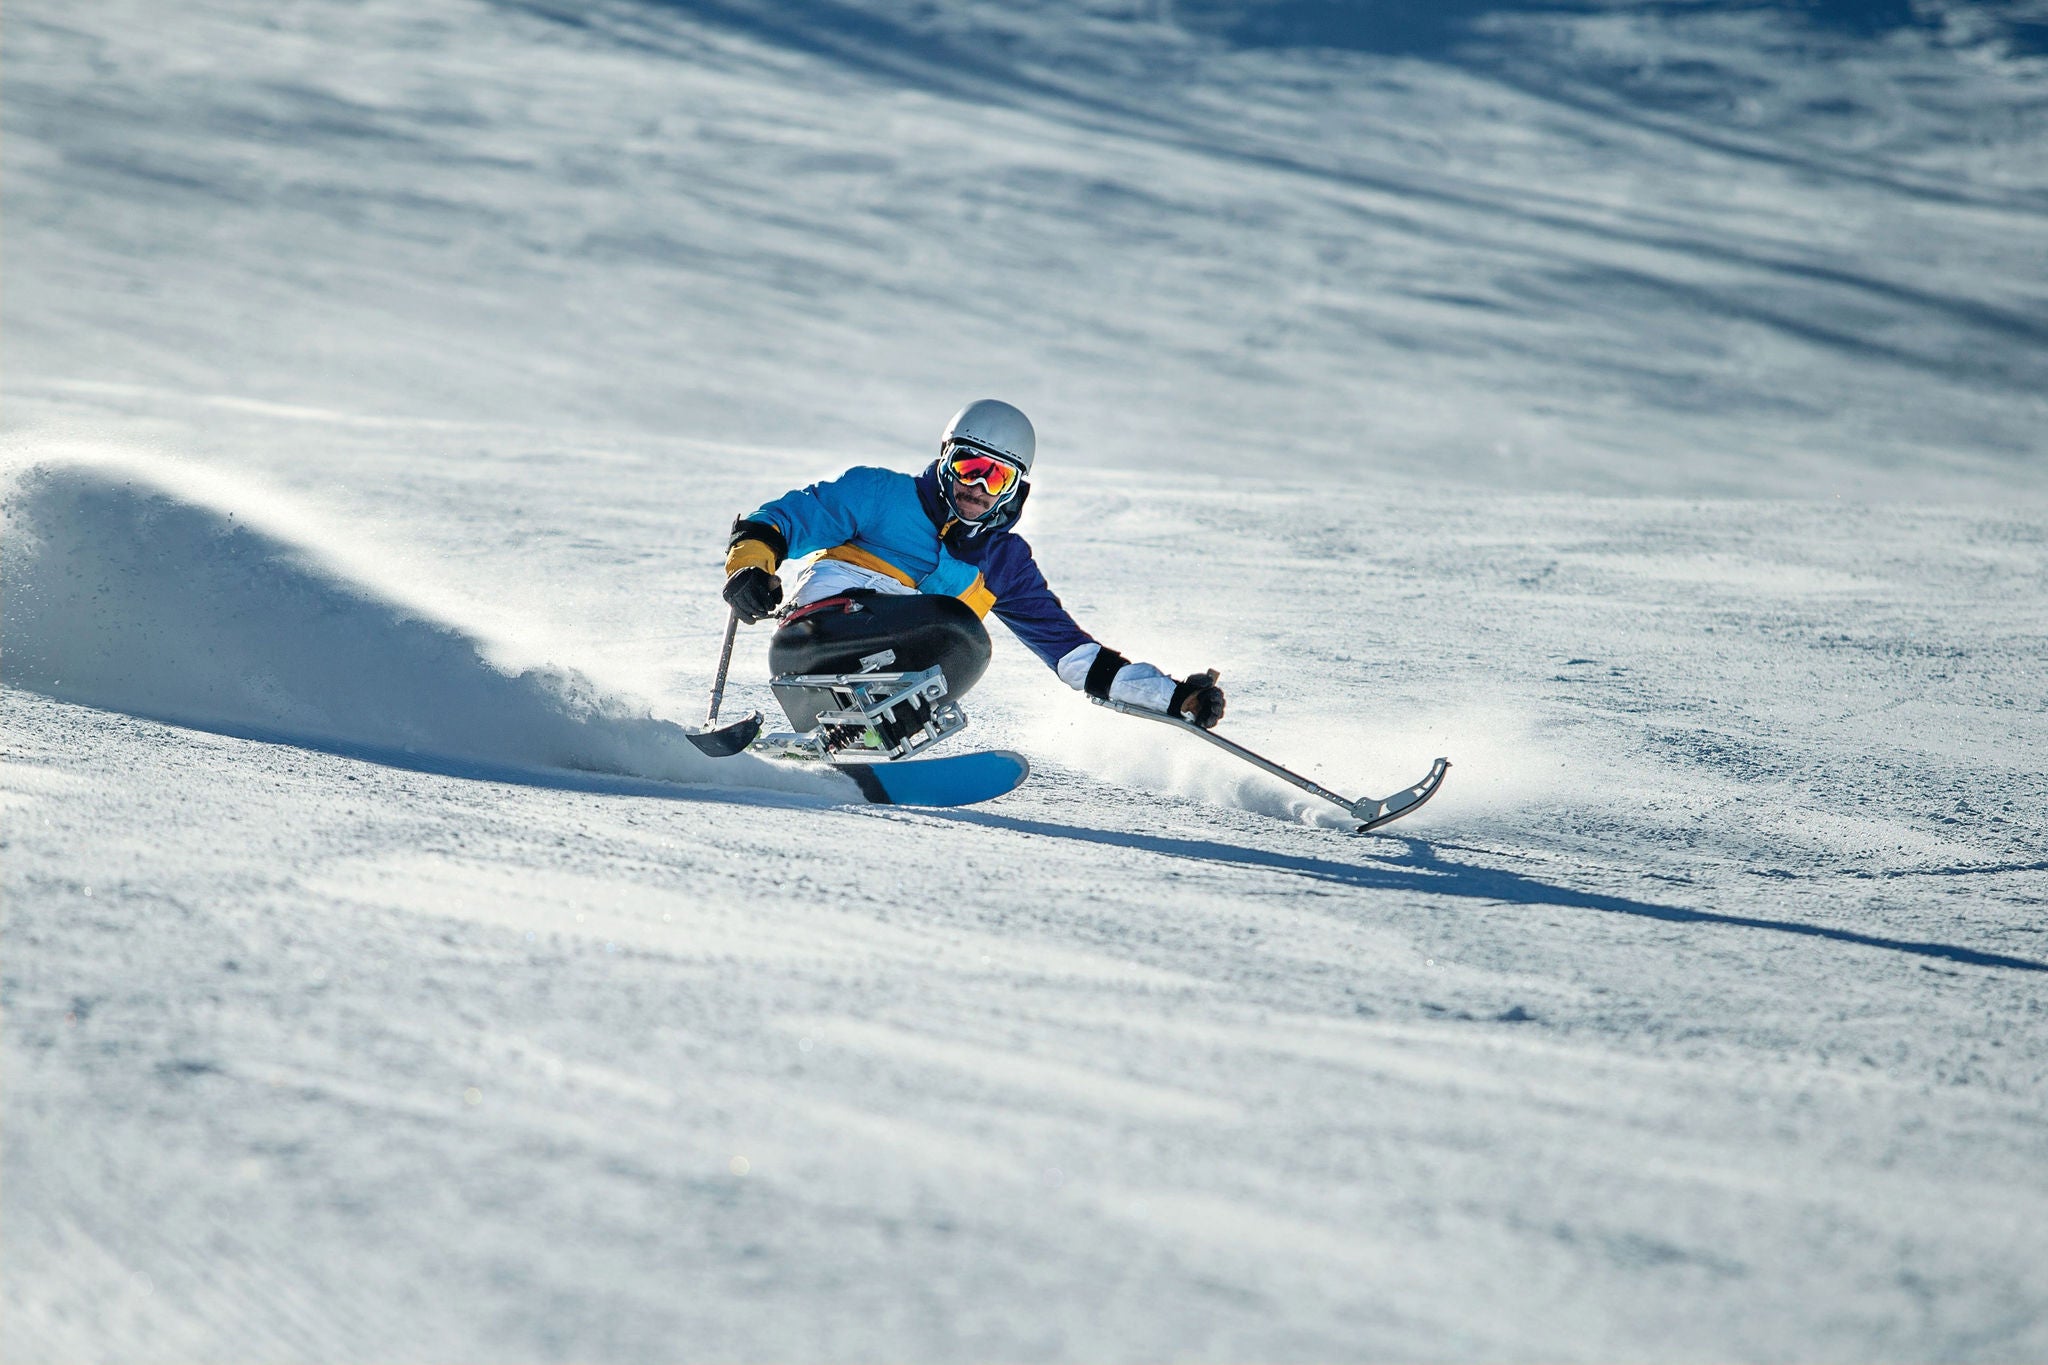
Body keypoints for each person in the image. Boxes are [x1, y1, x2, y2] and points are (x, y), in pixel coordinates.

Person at [722, 399, 1226, 744]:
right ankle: (863, 716)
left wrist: (1173, 697)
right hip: (818, 636)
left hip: (898, 662)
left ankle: (864, 735)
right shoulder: (880, 493)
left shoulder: (1004, 563)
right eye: (968, 467)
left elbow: (1075, 656)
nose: (977, 487)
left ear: (1014, 488)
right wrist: (750, 570)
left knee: (967, 643)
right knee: (955, 625)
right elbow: (781, 520)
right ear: (945, 460)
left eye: (996, 475)